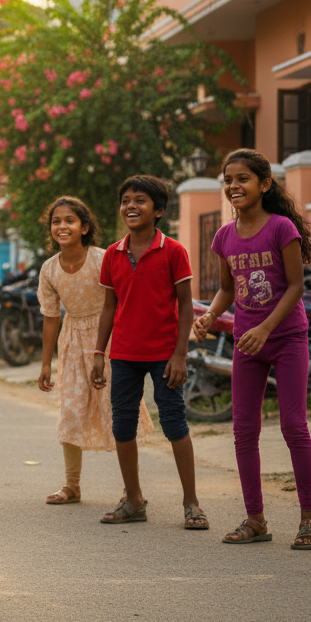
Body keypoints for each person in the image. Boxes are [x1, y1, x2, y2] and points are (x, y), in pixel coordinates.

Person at [194, 149, 311, 550]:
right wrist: (210, 316)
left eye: (243, 178)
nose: (234, 186)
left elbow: (296, 287)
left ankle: (310, 521)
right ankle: (255, 518)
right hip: (247, 341)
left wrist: (267, 329)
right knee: (243, 431)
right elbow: (228, 289)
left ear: (264, 184)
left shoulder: (282, 228)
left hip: (286, 338)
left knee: (293, 426)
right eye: (228, 180)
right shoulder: (223, 237)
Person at [91, 175, 206, 530]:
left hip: (164, 354)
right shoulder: (113, 253)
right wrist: (99, 351)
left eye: (140, 200)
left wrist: (180, 354)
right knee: (122, 425)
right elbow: (109, 306)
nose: (130, 206)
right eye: (126, 200)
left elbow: (186, 306)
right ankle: (134, 499)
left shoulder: (173, 251)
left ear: (158, 210)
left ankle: (191, 503)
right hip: (124, 353)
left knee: (174, 422)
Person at [36, 196, 151, 505]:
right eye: (56, 221)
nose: (62, 226)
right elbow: (50, 318)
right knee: (71, 409)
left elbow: (124, 299)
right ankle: (72, 485)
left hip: (110, 338)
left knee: (119, 411)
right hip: (72, 343)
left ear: (84, 227)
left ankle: (132, 488)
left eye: (69, 220)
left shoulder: (104, 258)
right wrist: (46, 364)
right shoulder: (49, 270)